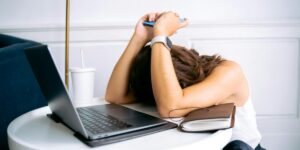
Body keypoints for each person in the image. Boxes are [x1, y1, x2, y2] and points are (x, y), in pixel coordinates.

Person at [105, 12, 265, 150]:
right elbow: (116, 96)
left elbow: (171, 107)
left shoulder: (229, 72)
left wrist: (161, 34)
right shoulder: (165, 92)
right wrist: (140, 37)